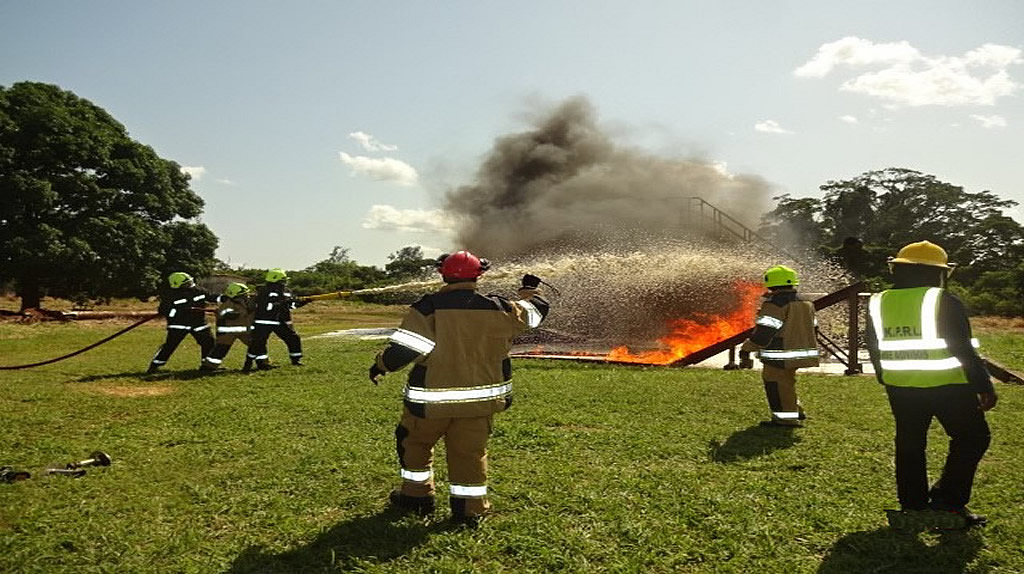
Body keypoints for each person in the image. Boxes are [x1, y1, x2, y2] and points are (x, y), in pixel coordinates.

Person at [368, 250, 550, 527]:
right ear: (480, 274)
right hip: (479, 404)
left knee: (415, 444)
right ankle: (470, 510)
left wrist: (380, 365)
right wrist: (529, 290)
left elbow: (406, 350)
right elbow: (537, 311)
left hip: (430, 405)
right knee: (469, 454)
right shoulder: (501, 308)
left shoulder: (427, 307)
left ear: (443, 274)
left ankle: (416, 497)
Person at [866, 240, 996, 529]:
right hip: (949, 385)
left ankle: (912, 505)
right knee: (973, 438)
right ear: (938, 272)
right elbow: (961, 346)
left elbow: (872, 345)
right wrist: (983, 383)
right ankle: (948, 501)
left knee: (910, 443)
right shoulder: (943, 300)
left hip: (900, 387)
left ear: (897, 269)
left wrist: (884, 376)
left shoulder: (877, 301)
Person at [738, 265, 819, 427]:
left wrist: (746, 349)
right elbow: (814, 328)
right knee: (787, 382)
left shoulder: (774, 305)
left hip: (780, 354)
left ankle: (786, 419)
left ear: (770, 284)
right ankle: (796, 410)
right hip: (801, 351)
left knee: (776, 384)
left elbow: (764, 333)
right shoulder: (806, 302)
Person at [148, 272, 216, 373]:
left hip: (199, 324)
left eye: (190, 282)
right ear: (178, 284)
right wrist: (179, 311)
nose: (191, 284)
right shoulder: (170, 295)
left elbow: (212, 297)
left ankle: (206, 367)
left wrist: (226, 298)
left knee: (209, 343)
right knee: (170, 346)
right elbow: (164, 310)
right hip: (178, 325)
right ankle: (154, 366)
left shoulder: (199, 291)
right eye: (187, 283)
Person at [246, 268, 308, 372]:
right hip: (275, 320)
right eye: (283, 280)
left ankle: (254, 364)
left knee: (258, 343)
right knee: (293, 338)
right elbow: (289, 305)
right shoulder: (284, 291)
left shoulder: (261, 290)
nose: (285, 282)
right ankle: (295, 360)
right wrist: (304, 301)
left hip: (261, 321)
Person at [201, 282, 256, 372]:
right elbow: (221, 313)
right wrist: (228, 314)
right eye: (244, 294)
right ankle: (208, 367)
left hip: (245, 332)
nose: (247, 295)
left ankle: (262, 364)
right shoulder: (228, 303)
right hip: (227, 333)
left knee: (256, 346)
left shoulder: (248, 301)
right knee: (220, 350)